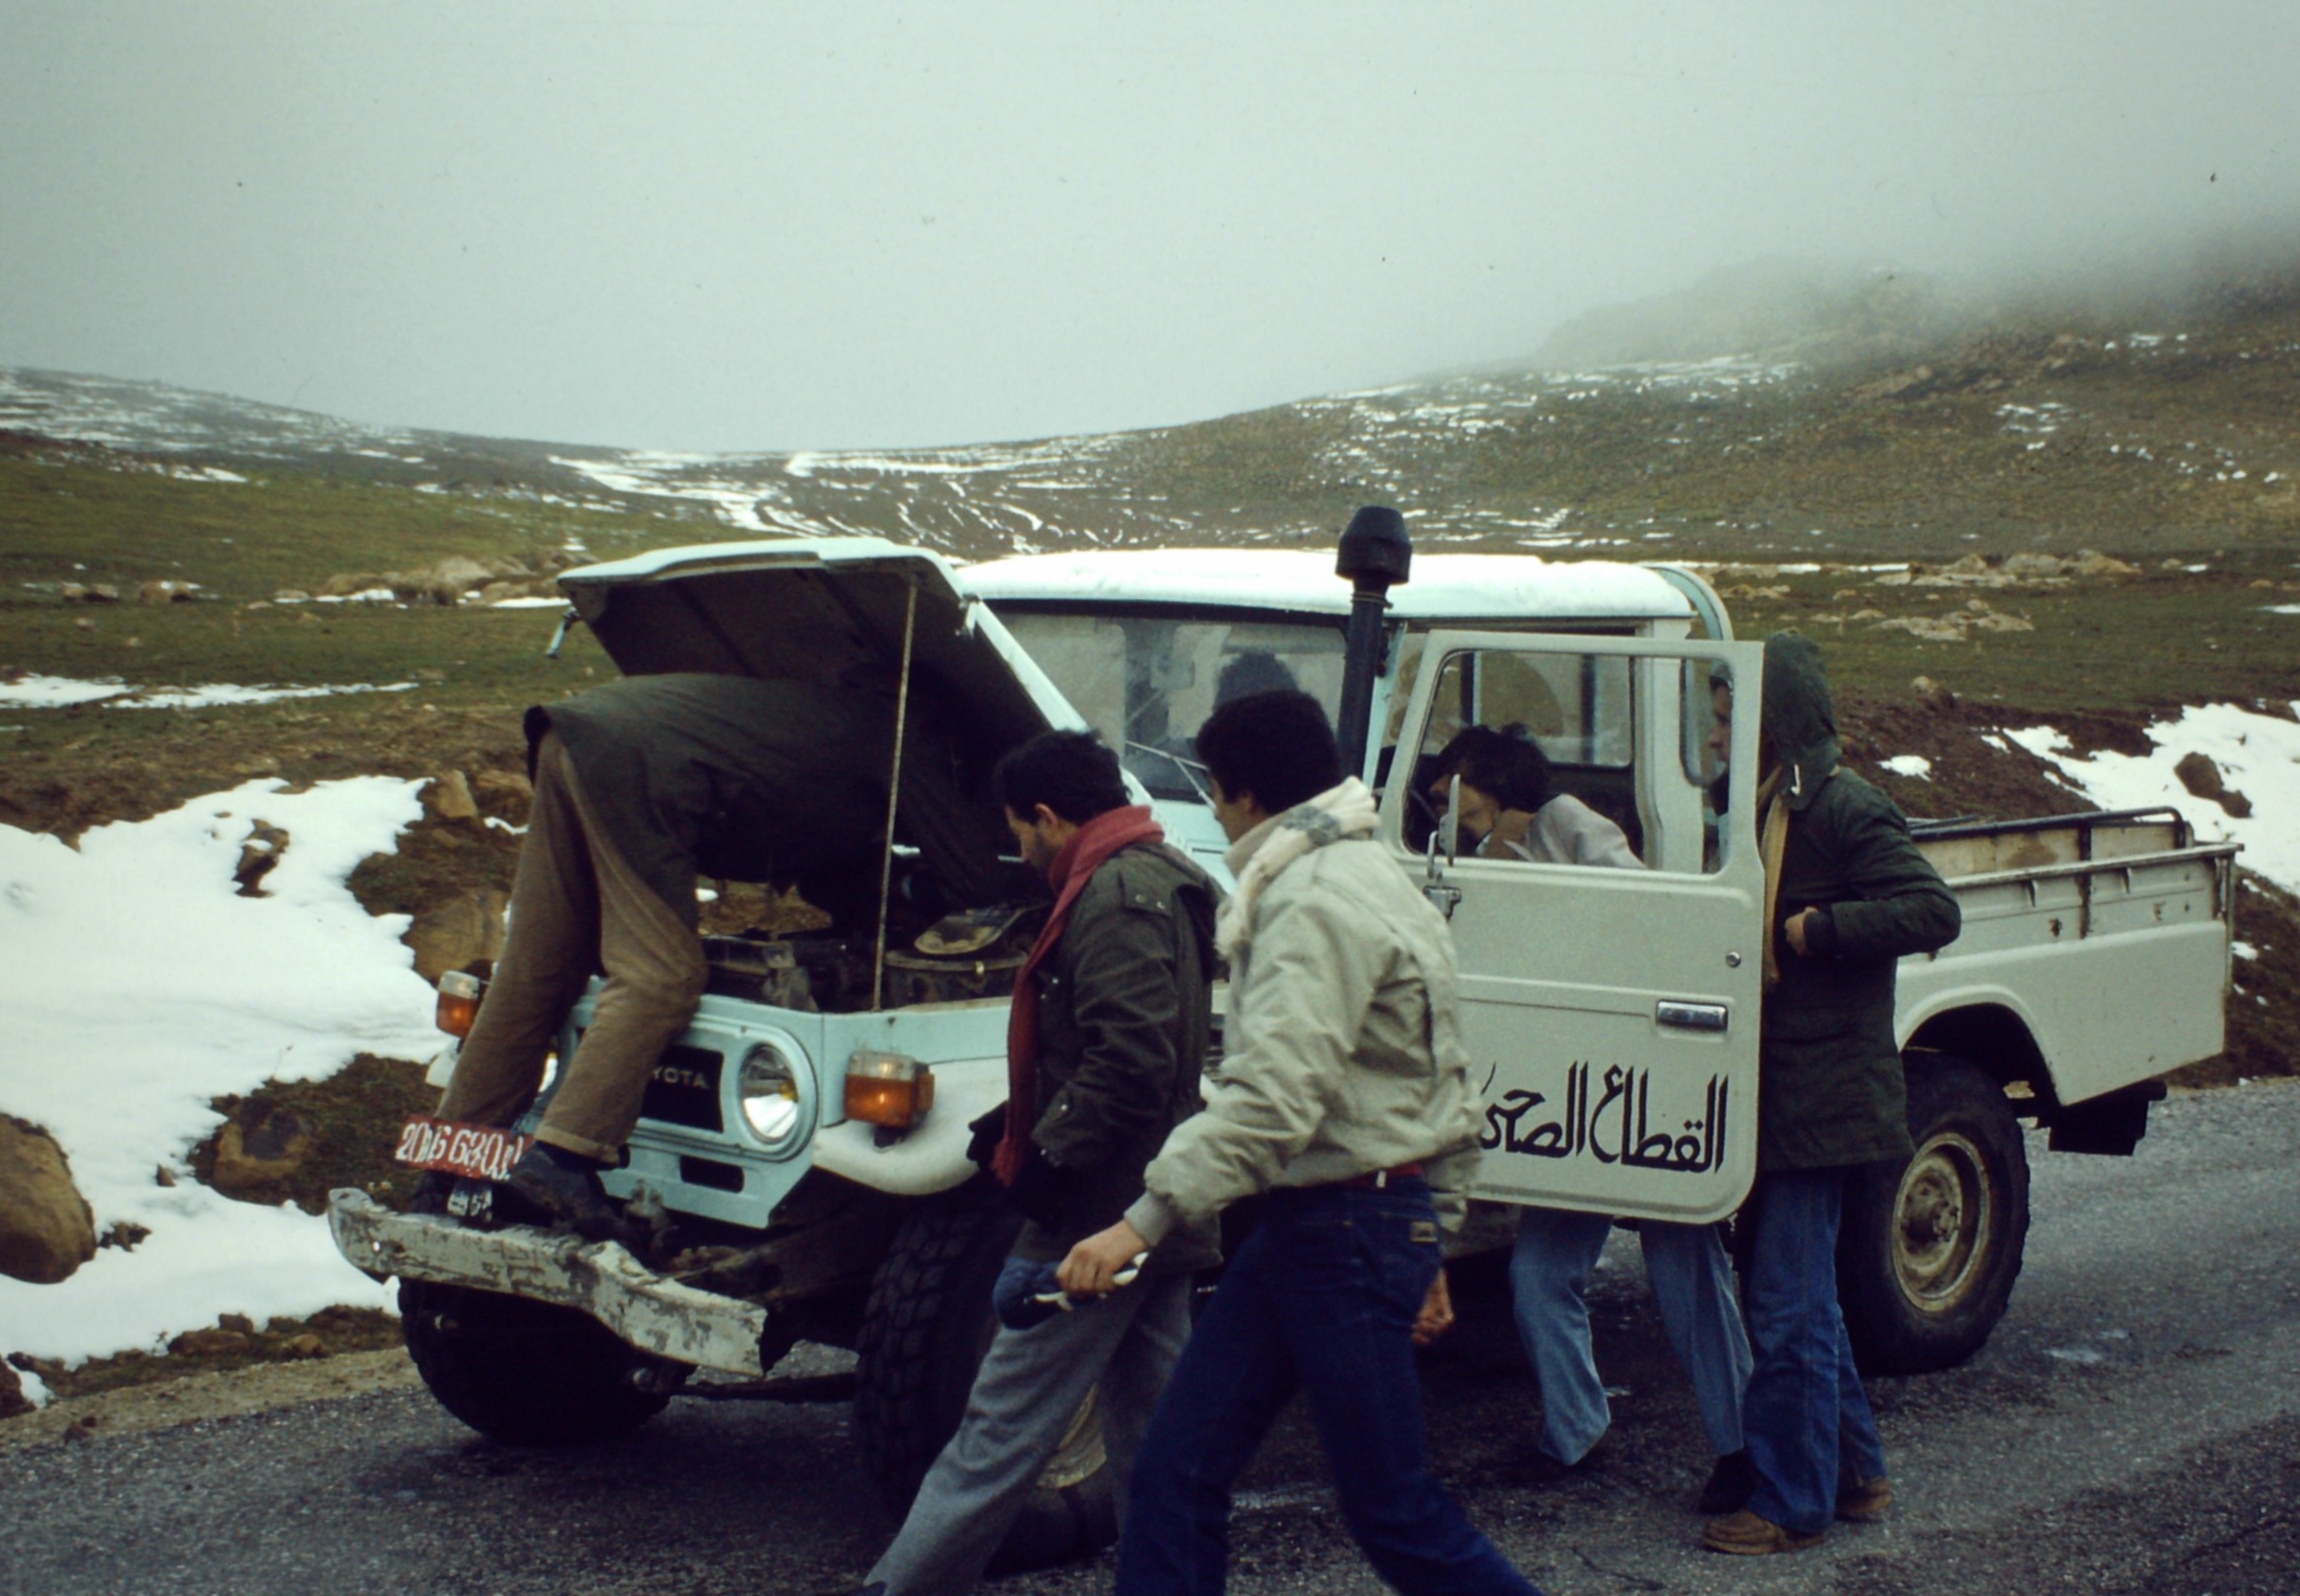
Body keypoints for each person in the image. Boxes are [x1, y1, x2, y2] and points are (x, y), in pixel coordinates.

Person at [1057, 690, 1546, 1596]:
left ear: (1237, 790)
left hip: (1341, 1230)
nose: (1207, 807)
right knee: (1176, 1472)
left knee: (1395, 1512)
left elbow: (1274, 1100)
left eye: (1209, 788)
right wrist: (1429, 1228)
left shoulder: (1307, 902)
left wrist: (1140, 1224)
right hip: (1329, 1226)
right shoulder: (1376, 877)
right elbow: (1436, 1078)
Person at [844, 730, 1220, 1596]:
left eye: (1019, 829)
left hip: (1096, 1215)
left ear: (1050, 818)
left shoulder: (1118, 895)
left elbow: (1132, 1060)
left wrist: (1046, 1157)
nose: (1019, 849)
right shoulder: (1150, 874)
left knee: (999, 1429)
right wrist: (1013, 1124)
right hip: (1146, 1206)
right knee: (1157, 1432)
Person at [434, 671, 1011, 1232]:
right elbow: (978, 883)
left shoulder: (827, 719)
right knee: (661, 976)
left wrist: (886, 895)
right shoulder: (904, 737)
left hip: (577, 737)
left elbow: (820, 859)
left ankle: (446, 1162)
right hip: (637, 765)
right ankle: (563, 1160)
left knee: (538, 965)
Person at [1434, 731, 1755, 1511]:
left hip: (1630, 1090)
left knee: (1689, 1275)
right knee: (1541, 1273)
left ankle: (1747, 1444)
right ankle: (1574, 1430)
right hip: (1572, 1099)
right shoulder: (1492, 849)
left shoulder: (1568, 825)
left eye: (1462, 794)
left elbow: (1638, 919)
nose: (1455, 812)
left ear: (1493, 784)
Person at [1702, 633, 1962, 1556]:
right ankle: (1855, 1475)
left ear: (1777, 726)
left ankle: (1789, 1503)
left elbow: (1935, 912)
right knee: (1798, 1297)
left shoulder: (1844, 810)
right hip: (1777, 1096)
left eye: (1733, 717)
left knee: (1785, 1303)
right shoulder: (1755, 814)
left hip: (1823, 1100)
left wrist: (1821, 929)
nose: (1719, 731)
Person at [1427, 725, 1642, 869]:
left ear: (1494, 780)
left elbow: (1635, 891)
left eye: (1452, 775)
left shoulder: (1559, 819)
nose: (1435, 788)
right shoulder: (1447, 853)